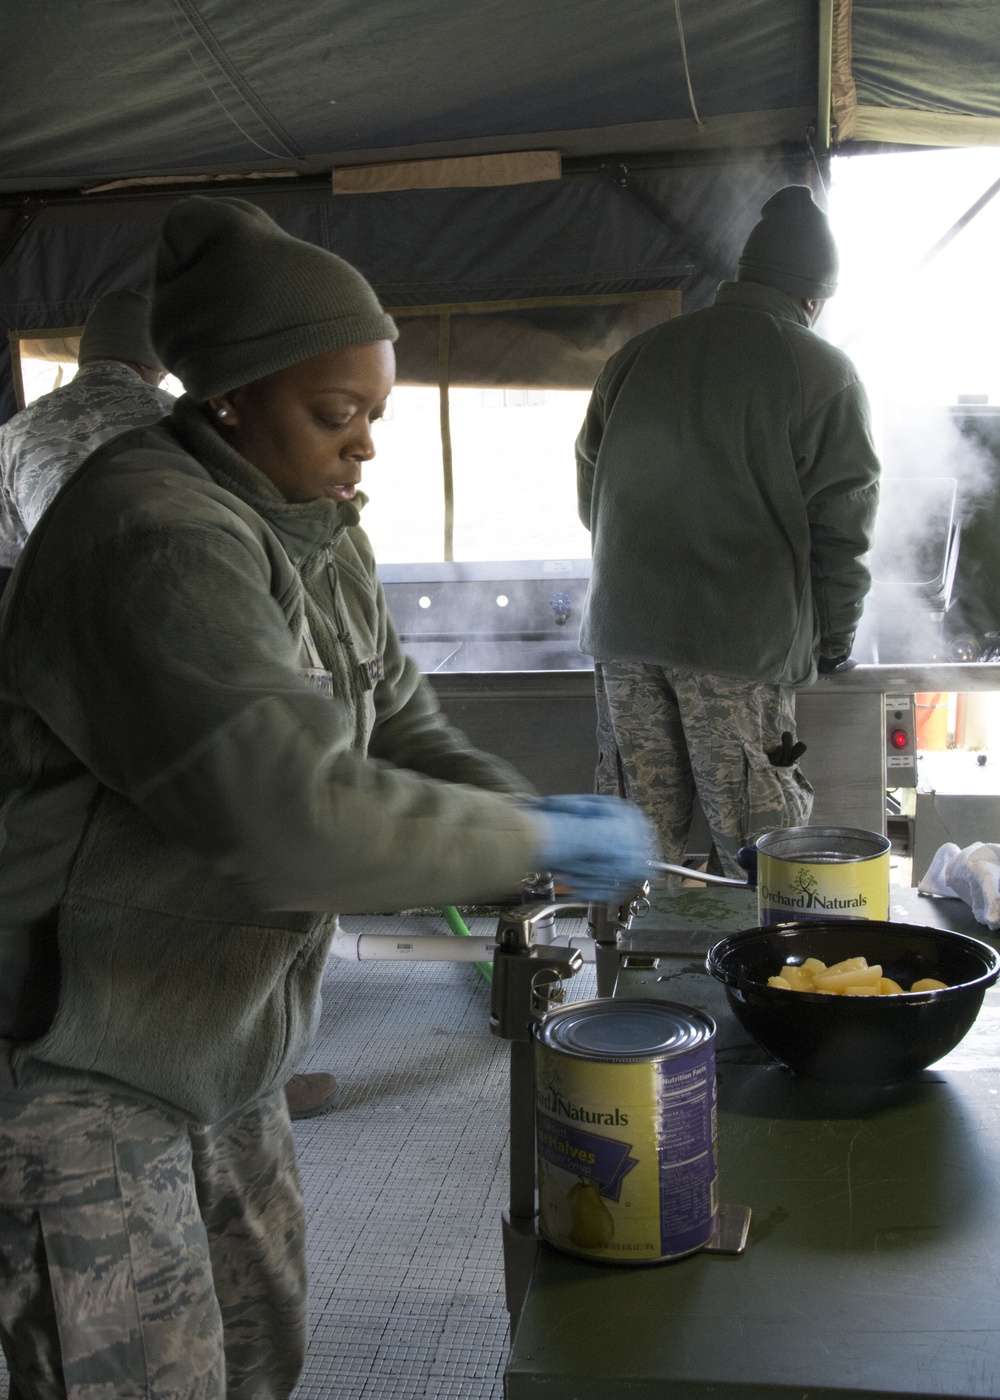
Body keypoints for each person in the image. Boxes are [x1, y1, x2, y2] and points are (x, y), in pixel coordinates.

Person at [0, 196, 656, 1400]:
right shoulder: (153, 536)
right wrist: (525, 836)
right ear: (229, 397)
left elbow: (400, 715)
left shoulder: (310, 524)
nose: (363, 447)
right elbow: (292, 819)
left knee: (257, 1351)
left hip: (217, 1027)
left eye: (375, 416)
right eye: (333, 413)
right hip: (73, 1054)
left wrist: (521, 823)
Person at [0, 290, 337, 1120]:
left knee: (102, 888)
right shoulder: (189, 424)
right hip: (216, 673)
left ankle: (116, 1063)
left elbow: (17, 568)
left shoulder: (15, 435)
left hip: (79, 699)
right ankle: (256, 1071)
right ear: (163, 360)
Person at [577, 184, 881, 878]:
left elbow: (592, 492)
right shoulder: (823, 372)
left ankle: (617, 976)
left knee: (633, 837)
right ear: (814, 297)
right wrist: (832, 643)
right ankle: (754, 978)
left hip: (625, 636)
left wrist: (638, 566)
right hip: (738, 645)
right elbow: (843, 533)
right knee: (755, 845)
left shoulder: (635, 357)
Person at [0, 290, 175, 584]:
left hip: (62, 604)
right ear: (146, 365)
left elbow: (10, 549)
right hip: (170, 591)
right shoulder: (178, 416)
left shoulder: (15, 431)